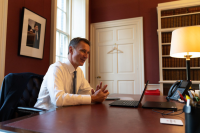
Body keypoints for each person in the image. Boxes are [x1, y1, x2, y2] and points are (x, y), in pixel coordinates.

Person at [34, 37, 109, 110]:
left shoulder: (79, 71)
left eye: (88, 52)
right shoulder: (56, 68)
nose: (86, 56)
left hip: (64, 114)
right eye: (83, 51)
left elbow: (87, 92)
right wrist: (93, 98)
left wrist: (97, 94)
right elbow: (58, 99)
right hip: (43, 115)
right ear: (71, 50)